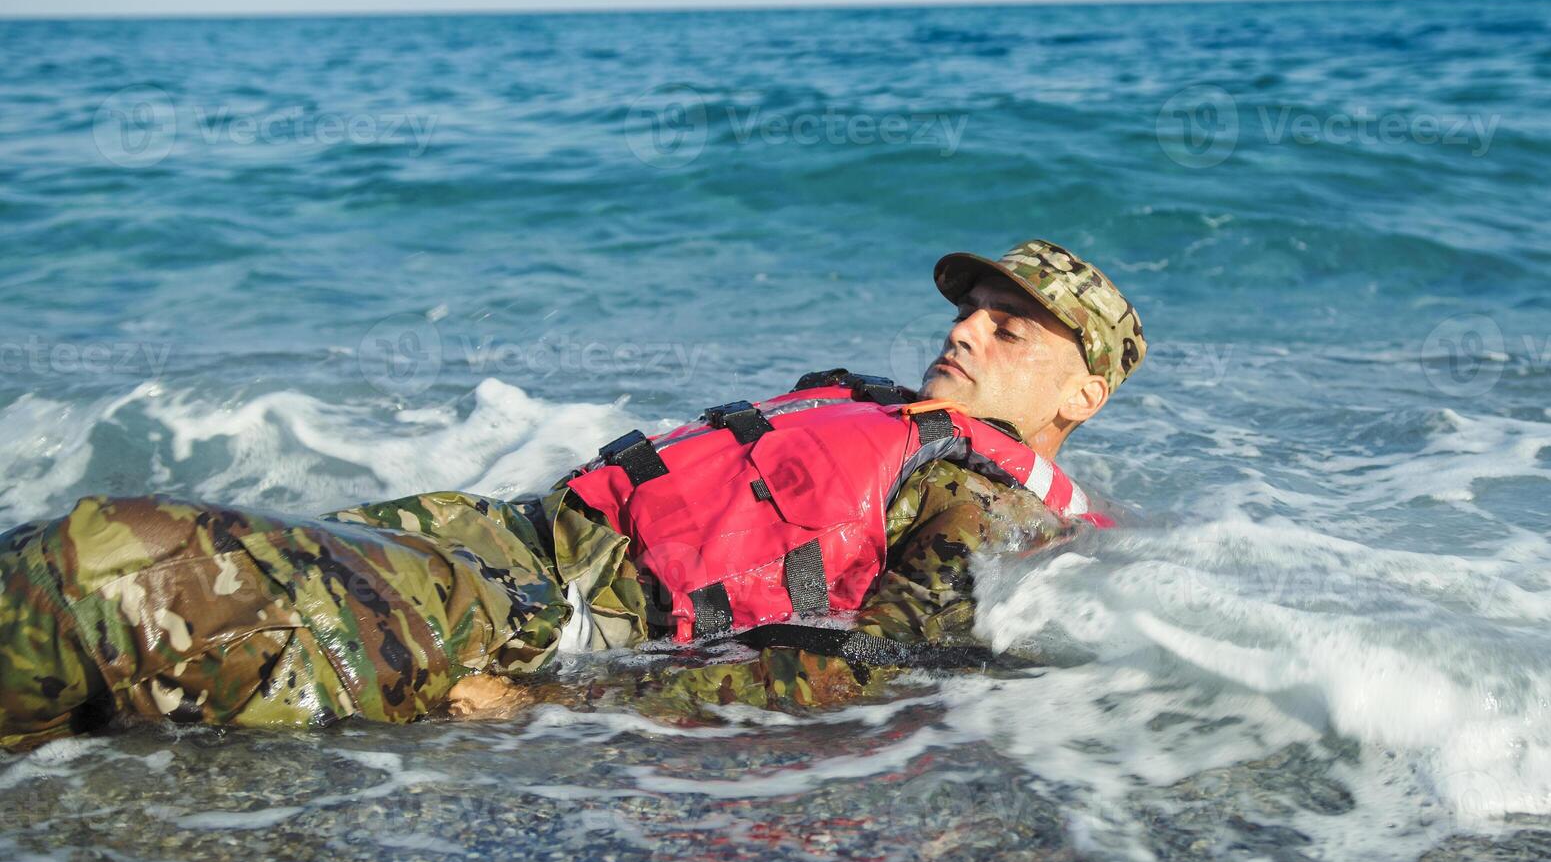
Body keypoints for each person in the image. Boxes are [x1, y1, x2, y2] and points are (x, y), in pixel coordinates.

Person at [0, 239, 1145, 749]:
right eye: (967, 308)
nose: (964, 329)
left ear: (1080, 391)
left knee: (110, 561)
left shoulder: (985, 500)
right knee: (98, 597)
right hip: (486, 536)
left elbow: (871, 669)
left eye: (1009, 326)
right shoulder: (878, 406)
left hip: (531, 618)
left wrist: (553, 709)